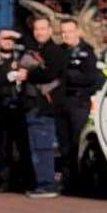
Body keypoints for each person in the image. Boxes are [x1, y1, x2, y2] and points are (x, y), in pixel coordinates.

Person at [19, 15, 68, 200]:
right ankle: (42, 183)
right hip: (34, 107)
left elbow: (49, 73)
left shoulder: (54, 52)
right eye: (36, 29)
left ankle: (47, 185)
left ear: (50, 30)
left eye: (42, 28)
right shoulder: (37, 50)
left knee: (43, 148)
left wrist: (28, 74)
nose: (39, 32)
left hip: (44, 108)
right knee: (37, 148)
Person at [56, 18, 104, 193]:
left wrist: (69, 76)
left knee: (77, 143)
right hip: (61, 102)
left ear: (77, 31)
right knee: (64, 144)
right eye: (62, 32)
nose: (65, 35)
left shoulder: (87, 52)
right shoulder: (60, 51)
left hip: (78, 102)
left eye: (69, 31)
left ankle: (80, 182)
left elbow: (91, 78)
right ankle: (67, 181)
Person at [0, 27, 30, 193]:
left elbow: (30, 43)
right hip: (2, 107)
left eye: (11, 38)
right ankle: (6, 181)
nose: (8, 41)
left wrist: (18, 35)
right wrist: (13, 75)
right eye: (4, 38)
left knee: (23, 146)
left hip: (20, 107)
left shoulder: (21, 56)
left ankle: (25, 180)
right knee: (5, 147)